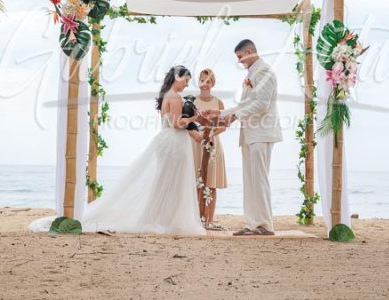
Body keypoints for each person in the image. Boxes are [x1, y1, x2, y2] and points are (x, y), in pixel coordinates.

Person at [80, 66, 205, 235]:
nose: (186, 85)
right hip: (174, 142)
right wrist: (194, 118)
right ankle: (160, 220)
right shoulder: (174, 97)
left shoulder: (165, 95)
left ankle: (156, 219)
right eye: (186, 81)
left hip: (166, 140)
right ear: (177, 77)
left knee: (163, 182)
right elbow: (177, 124)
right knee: (171, 182)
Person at [204, 40, 282, 236]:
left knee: (259, 179)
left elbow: (262, 105)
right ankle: (252, 223)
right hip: (250, 134)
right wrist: (219, 114)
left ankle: (264, 225)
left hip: (261, 133)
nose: (239, 61)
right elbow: (244, 105)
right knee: (250, 180)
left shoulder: (263, 72)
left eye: (240, 57)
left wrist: (234, 117)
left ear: (249, 52)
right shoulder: (252, 74)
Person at [192, 68, 227, 230]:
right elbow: (188, 125)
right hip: (196, 144)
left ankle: (209, 220)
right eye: (202, 80)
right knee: (197, 183)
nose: (204, 84)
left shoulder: (218, 103)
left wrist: (211, 133)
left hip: (212, 143)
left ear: (213, 83)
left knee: (211, 183)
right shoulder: (192, 102)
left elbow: (223, 126)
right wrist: (199, 134)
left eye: (208, 81)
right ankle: (197, 219)